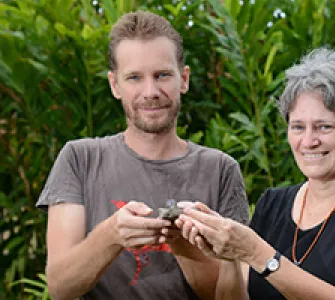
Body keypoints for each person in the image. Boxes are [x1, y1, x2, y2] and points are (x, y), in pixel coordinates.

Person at [177, 48, 335, 300]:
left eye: (324, 127)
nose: (308, 141)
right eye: (298, 127)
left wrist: (257, 253)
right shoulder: (272, 203)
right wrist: (229, 253)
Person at [36, 11, 249, 300]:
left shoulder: (221, 169)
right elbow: (60, 287)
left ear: (183, 79)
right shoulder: (79, 159)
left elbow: (232, 296)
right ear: (115, 85)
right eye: (134, 77)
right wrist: (111, 234)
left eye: (162, 75)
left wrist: (183, 244)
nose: (150, 91)